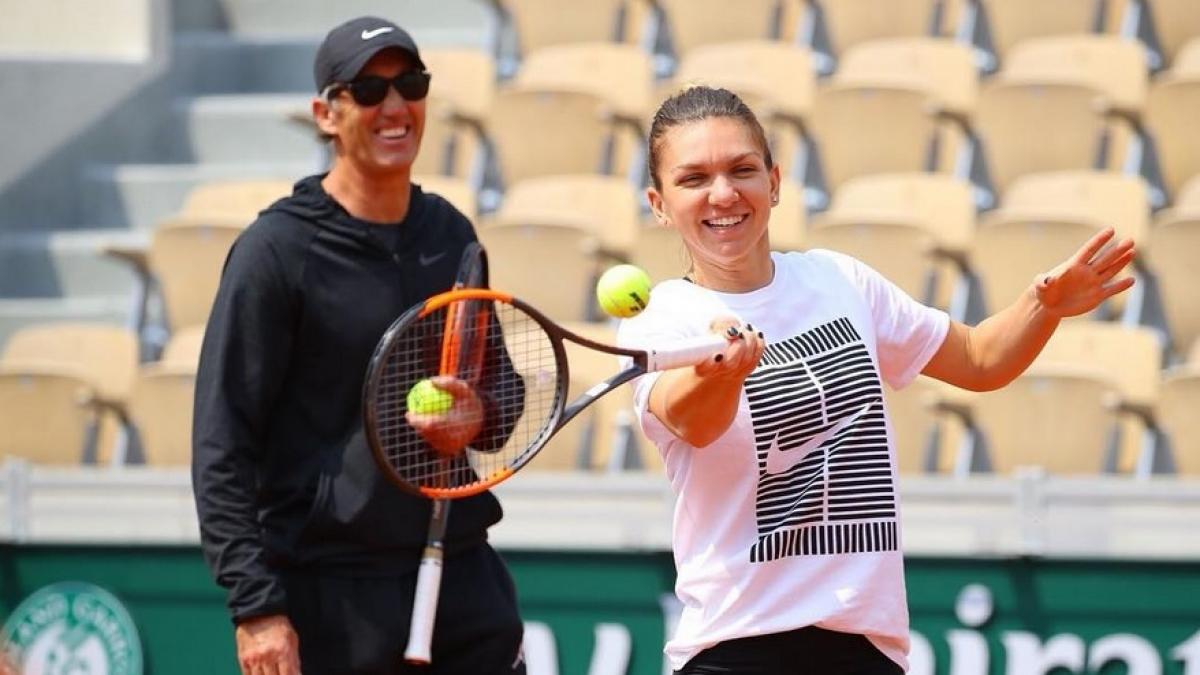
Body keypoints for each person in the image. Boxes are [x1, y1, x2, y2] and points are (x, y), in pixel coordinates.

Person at [617, 86, 1137, 675]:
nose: (724, 194)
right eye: (694, 179)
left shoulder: (841, 280)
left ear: (776, 182)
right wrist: (721, 374)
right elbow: (692, 423)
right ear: (659, 203)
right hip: (737, 647)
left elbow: (980, 360)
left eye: (743, 170)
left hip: (868, 646)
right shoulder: (661, 320)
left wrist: (1043, 307)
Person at [192, 16, 525, 675]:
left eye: (411, 83)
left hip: (459, 575)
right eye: (370, 90)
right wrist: (256, 606)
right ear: (326, 113)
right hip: (332, 597)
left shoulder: (450, 232)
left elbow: (502, 392)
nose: (396, 105)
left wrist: (475, 414)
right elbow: (222, 442)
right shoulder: (275, 252)